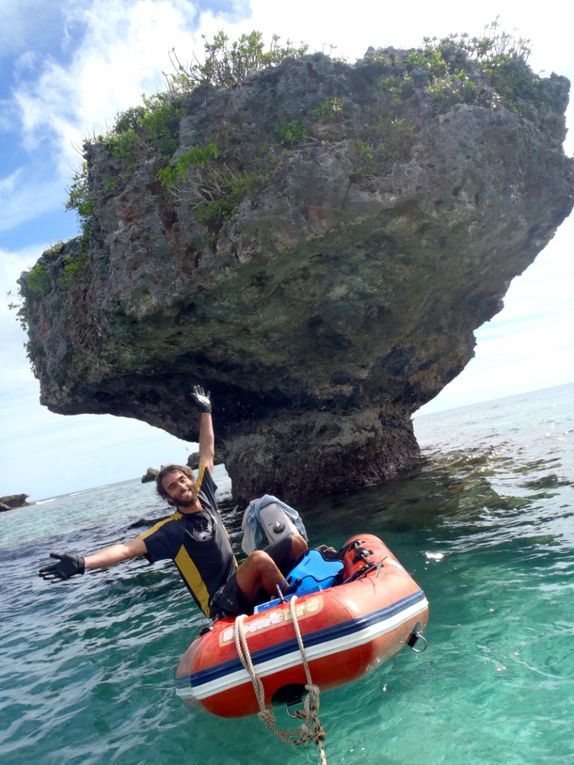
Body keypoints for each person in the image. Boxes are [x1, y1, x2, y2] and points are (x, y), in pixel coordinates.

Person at [38, 385, 308, 620]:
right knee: (259, 557)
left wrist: (206, 411)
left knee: (295, 541)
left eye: (182, 480)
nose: (180, 486)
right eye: (172, 487)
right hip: (221, 602)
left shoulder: (206, 496)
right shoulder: (172, 531)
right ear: (169, 498)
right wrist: (82, 562)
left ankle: (301, 586)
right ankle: (297, 608)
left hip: (242, 584)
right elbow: (126, 549)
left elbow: (207, 452)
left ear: (190, 480)